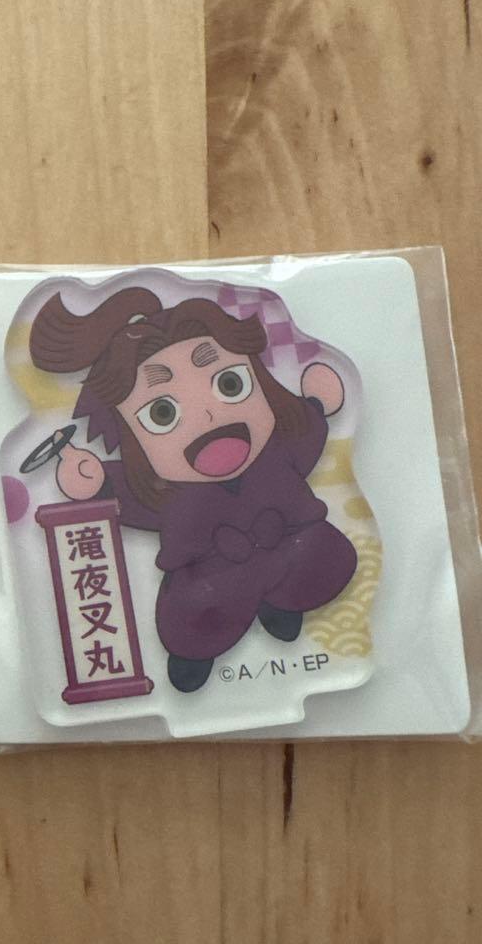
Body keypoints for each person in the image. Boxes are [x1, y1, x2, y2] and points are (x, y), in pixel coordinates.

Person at [30, 286, 356, 693]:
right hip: (209, 582)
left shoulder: (276, 450)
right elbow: (129, 494)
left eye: (230, 384)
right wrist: (97, 482)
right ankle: (195, 653)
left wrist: (316, 405)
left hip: (292, 548)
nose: (207, 415)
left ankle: (283, 605)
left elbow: (303, 439)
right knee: (193, 618)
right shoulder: (164, 490)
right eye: (162, 412)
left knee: (316, 562)